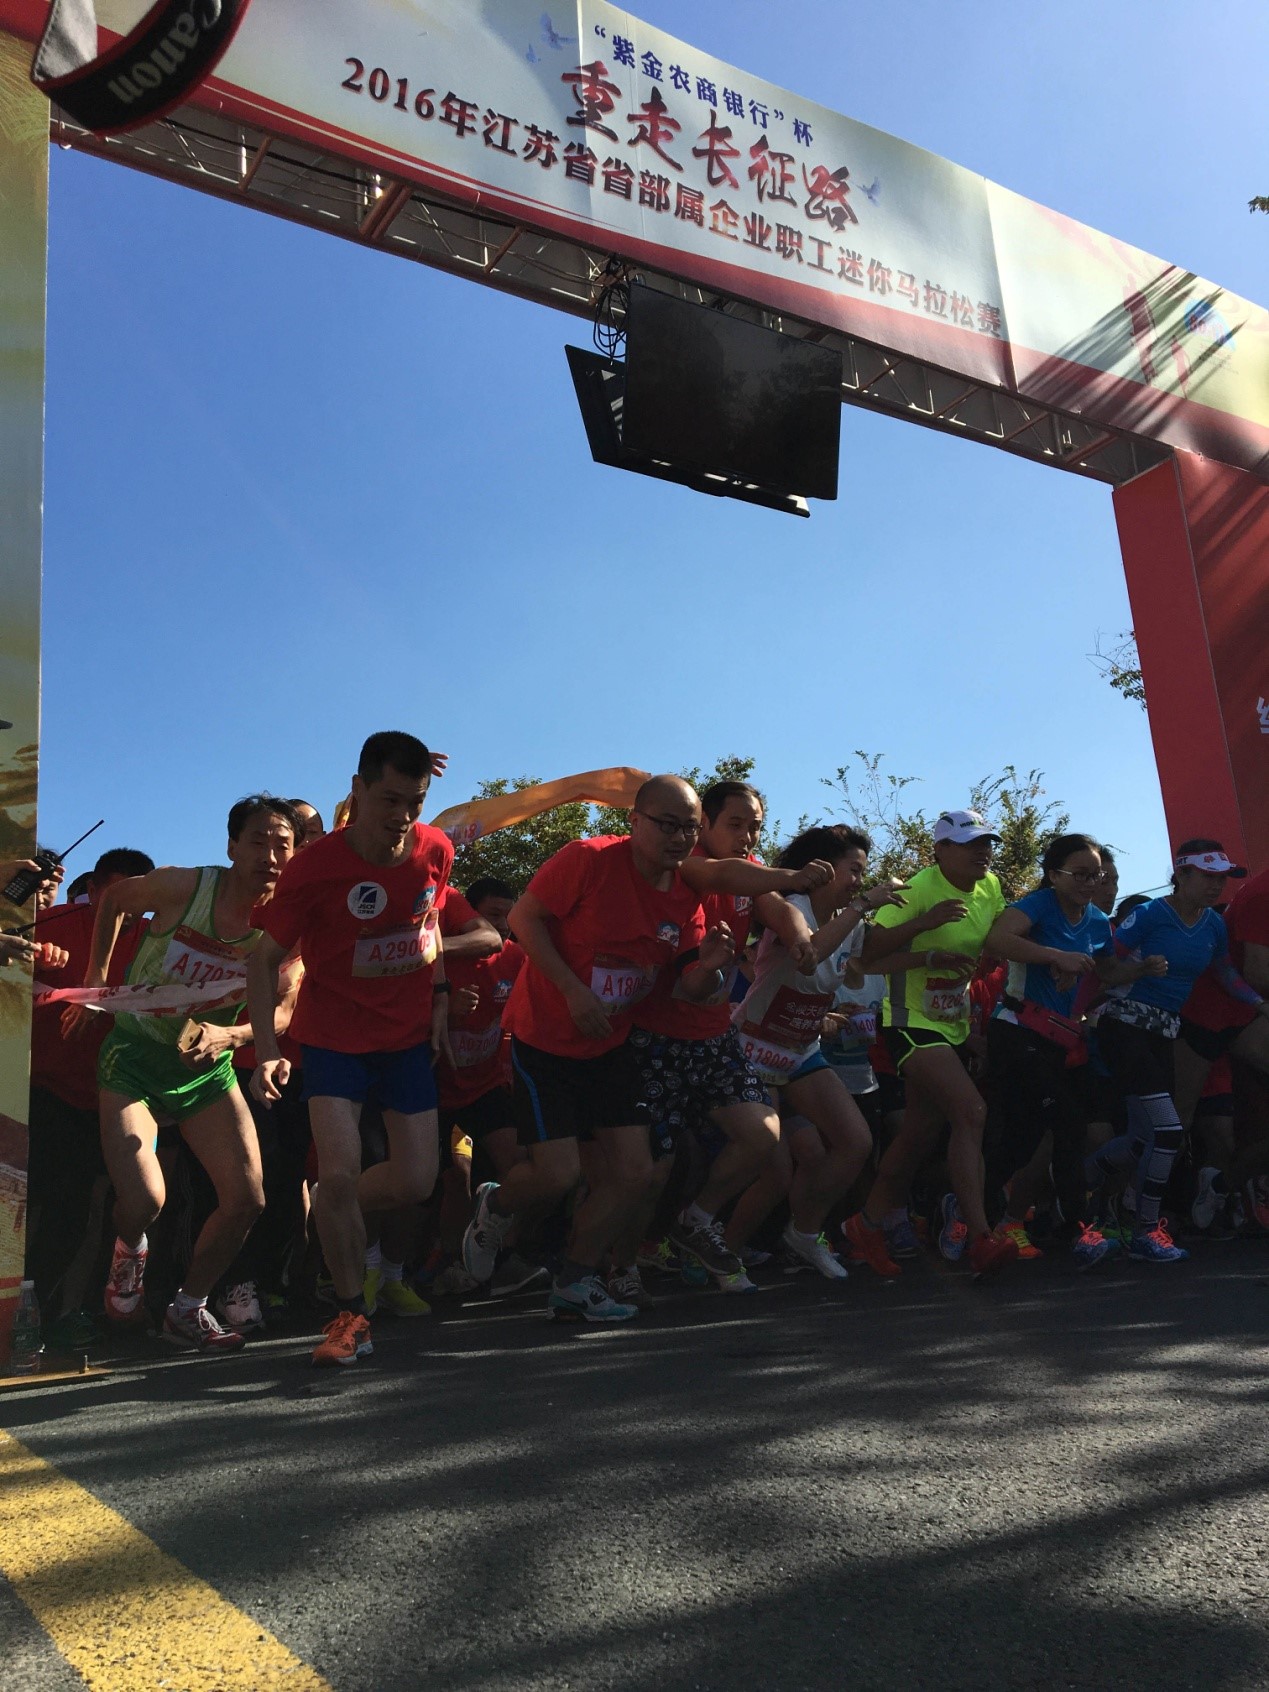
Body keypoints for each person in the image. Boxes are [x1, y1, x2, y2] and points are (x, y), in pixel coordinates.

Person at [461, 776, 823, 1322]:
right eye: (666, 825)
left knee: (635, 1173)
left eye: (687, 829)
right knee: (557, 1174)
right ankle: (496, 1205)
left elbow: (689, 982)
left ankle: (575, 1282)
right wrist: (572, 990)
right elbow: (522, 918)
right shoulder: (587, 859)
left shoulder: (686, 896)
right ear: (635, 820)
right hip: (546, 1039)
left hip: (614, 1046)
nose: (678, 838)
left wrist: (710, 966)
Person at [249, 733, 452, 1367]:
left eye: (415, 802)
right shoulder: (315, 867)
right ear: (357, 790)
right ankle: (349, 1317)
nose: (403, 815)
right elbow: (262, 960)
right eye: (390, 799)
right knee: (337, 1173)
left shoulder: (437, 849)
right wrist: (267, 1048)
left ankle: (334, 1211)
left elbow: (430, 926)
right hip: (333, 1041)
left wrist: (440, 1001)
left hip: (405, 1042)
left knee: (417, 1182)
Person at [79, 798, 301, 1352]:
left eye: (283, 845)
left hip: (206, 1074)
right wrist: (97, 980)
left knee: (247, 1199)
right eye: (258, 842)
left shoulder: (288, 924)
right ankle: (129, 1255)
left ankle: (186, 1308)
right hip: (133, 1058)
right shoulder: (186, 886)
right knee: (145, 1200)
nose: (270, 856)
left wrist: (231, 1036)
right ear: (231, 847)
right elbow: (115, 900)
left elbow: (282, 1012)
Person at [627, 782, 829, 1296]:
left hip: (714, 1034)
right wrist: (793, 875)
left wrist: (800, 936)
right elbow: (726, 875)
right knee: (654, 1167)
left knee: (762, 1133)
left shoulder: (752, 872)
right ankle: (620, 1263)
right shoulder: (688, 863)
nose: (748, 836)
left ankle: (695, 1221)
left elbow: (776, 907)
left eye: (755, 826)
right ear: (705, 825)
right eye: (736, 824)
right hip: (655, 1037)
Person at [730, 825, 917, 1278]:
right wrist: (862, 904)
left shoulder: (849, 922)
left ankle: (804, 1232)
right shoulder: (791, 907)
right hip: (753, 1047)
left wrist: (926, 934)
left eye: (863, 873)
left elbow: (869, 959)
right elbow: (810, 954)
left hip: (801, 1051)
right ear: (823, 868)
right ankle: (720, 1251)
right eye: (854, 870)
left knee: (855, 1142)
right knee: (775, 1170)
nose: (859, 881)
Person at [843, 810, 1018, 1279]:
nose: (983, 852)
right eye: (970, 844)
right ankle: (981, 1237)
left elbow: (998, 939)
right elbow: (866, 958)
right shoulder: (916, 890)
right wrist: (925, 933)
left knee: (919, 1135)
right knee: (972, 1112)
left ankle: (865, 1225)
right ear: (941, 850)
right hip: (908, 1020)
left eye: (987, 843)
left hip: (952, 1023)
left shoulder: (991, 887)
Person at [1088, 840, 1268, 1263]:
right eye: (1207, 876)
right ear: (1181, 874)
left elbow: (1226, 973)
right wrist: (1135, 973)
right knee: (1169, 1130)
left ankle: (1082, 1191)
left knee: (1143, 1139)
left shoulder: (1213, 925)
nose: (1217, 886)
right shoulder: (1150, 914)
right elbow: (1104, 968)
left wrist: (1259, 1004)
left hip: (1163, 1032)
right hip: (1125, 1025)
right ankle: (1142, 1228)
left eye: (1222, 878)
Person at [25, 848, 155, 1340]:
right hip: (38, 1090)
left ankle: (46, 1313)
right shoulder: (47, 924)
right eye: (114, 895)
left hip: (109, 1095)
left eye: (137, 897)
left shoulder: (159, 940)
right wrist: (29, 957)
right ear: (93, 891)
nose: (124, 908)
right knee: (26, 1202)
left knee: (78, 1210)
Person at [981, 834, 1117, 1269]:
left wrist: (1145, 969)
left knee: (1029, 1137)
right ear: (1054, 875)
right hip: (1015, 1031)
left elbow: (1106, 970)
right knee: (1065, 1121)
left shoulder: (1098, 922)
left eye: (1096, 875)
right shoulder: (1038, 905)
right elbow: (997, 940)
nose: (1090, 883)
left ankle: (982, 1212)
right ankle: (1076, 1228)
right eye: (1080, 874)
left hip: (1058, 1041)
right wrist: (1055, 957)